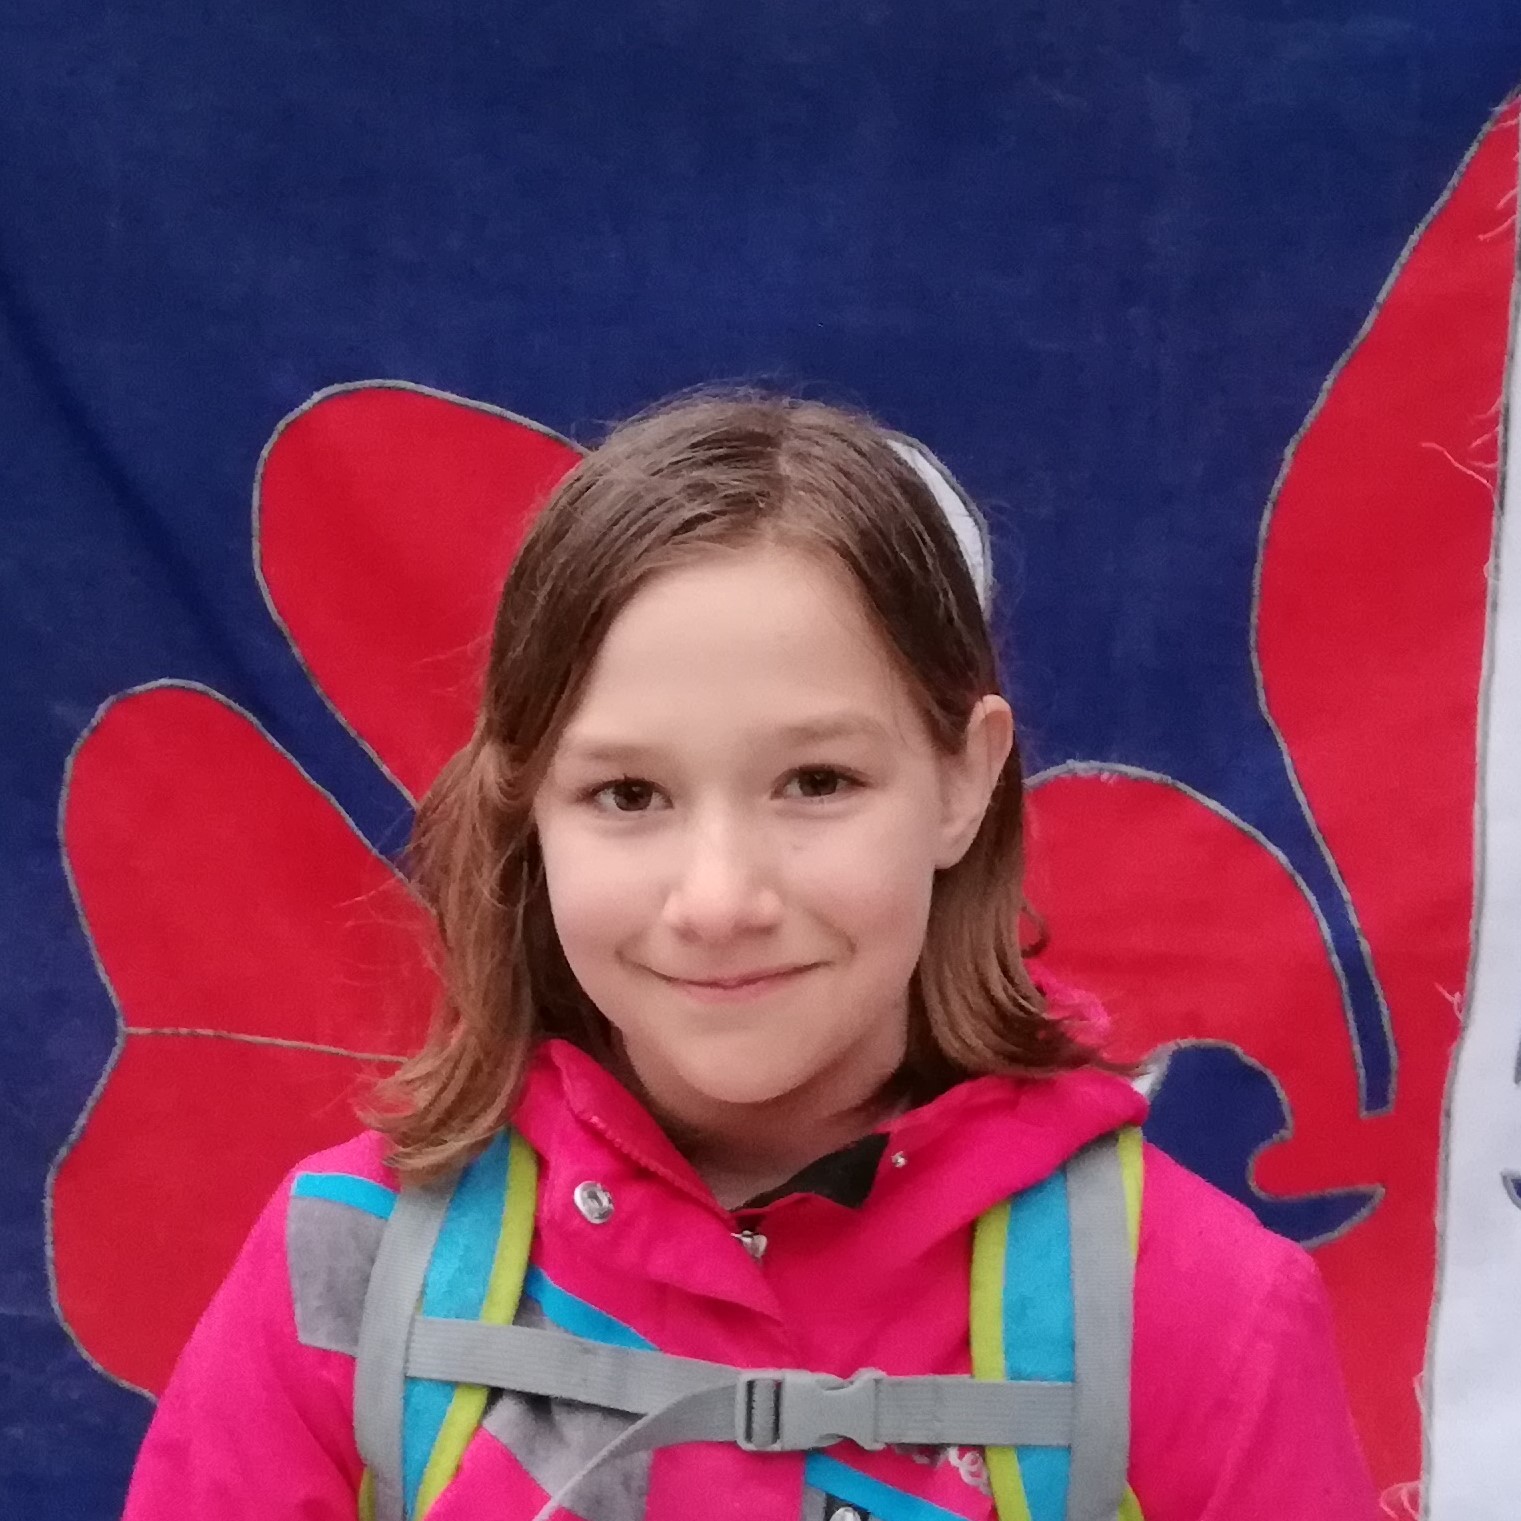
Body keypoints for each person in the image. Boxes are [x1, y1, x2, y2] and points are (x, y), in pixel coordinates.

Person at [121, 392, 1381, 1520]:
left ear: (964, 780)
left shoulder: (1192, 1316)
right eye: (628, 795)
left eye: (817, 781)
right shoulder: (348, 1278)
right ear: (528, 808)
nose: (720, 900)